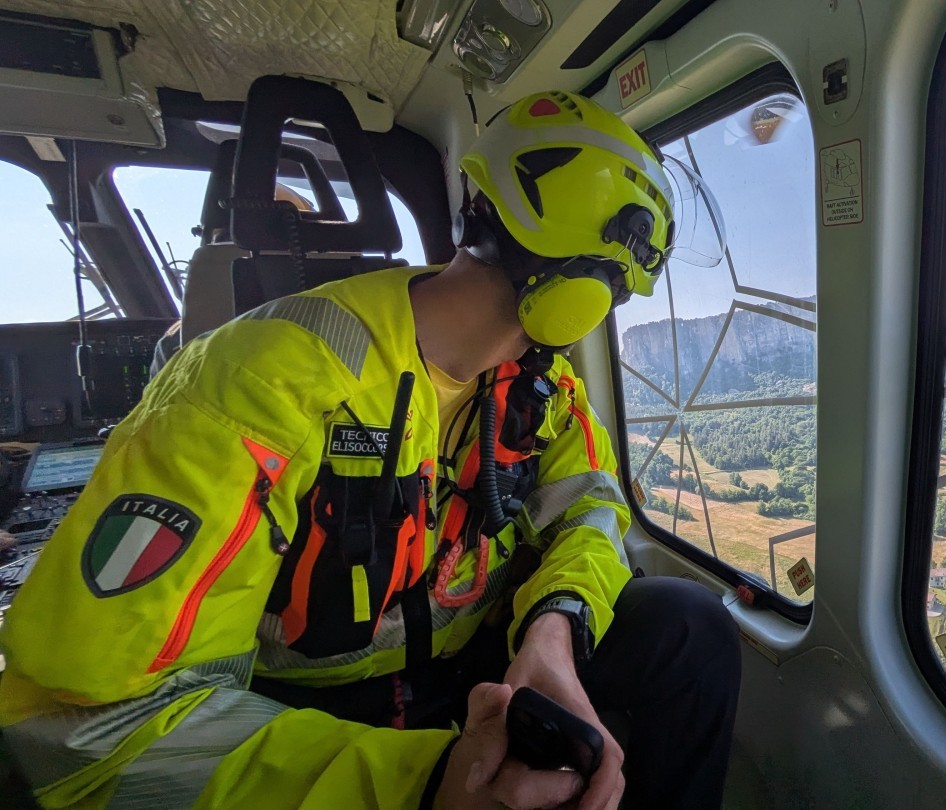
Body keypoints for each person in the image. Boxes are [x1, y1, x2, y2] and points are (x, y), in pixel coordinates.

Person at [0, 90, 740, 809]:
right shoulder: (259, 380)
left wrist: (554, 627)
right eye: (614, 290)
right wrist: (421, 785)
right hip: (292, 708)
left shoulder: (545, 390)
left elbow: (595, 513)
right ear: (578, 293)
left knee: (688, 627)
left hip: (473, 672)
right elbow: (88, 731)